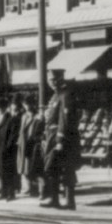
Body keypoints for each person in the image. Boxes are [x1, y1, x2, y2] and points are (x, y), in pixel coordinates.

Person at [41, 68, 81, 210]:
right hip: (52, 137)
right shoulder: (56, 96)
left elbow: (65, 119)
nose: (51, 83)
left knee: (66, 168)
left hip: (62, 138)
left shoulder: (65, 95)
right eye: (49, 80)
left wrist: (60, 140)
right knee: (53, 168)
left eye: (53, 80)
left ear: (60, 79)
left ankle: (69, 201)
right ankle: (55, 198)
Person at [0, 96, 21, 200]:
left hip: (7, 150)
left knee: (8, 171)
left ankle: (11, 193)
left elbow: (13, 135)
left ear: (5, 107)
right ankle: (3, 192)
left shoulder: (11, 119)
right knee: (0, 171)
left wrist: (7, 147)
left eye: (1, 107)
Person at [17, 95, 43, 197]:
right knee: (24, 166)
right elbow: (21, 130)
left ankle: (36, 188)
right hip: (24, 143)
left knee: (33, 166)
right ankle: (28, 187)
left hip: (33, 143)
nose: (27, 106)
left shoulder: (37, 116)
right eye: (25, 104)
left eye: (28, 104)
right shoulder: (24, 116)